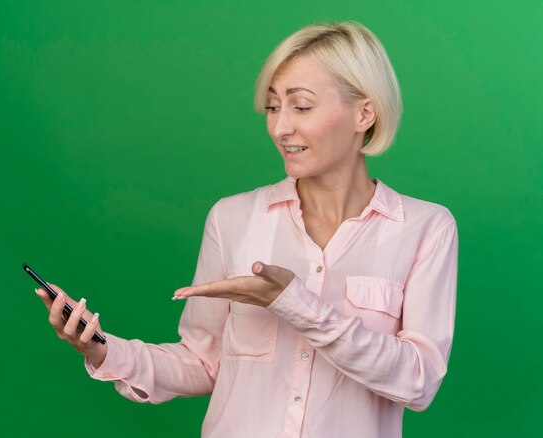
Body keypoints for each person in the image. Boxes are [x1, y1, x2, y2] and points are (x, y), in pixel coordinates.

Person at [36, 21, 458, 438]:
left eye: (302, 106)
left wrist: (293, 302)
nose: (280, 128)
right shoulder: (233, 218)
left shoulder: (425, 229)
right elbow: (202, 362)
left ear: (364, 113)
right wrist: (102, 349)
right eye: (273, 107)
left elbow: (418, 382)